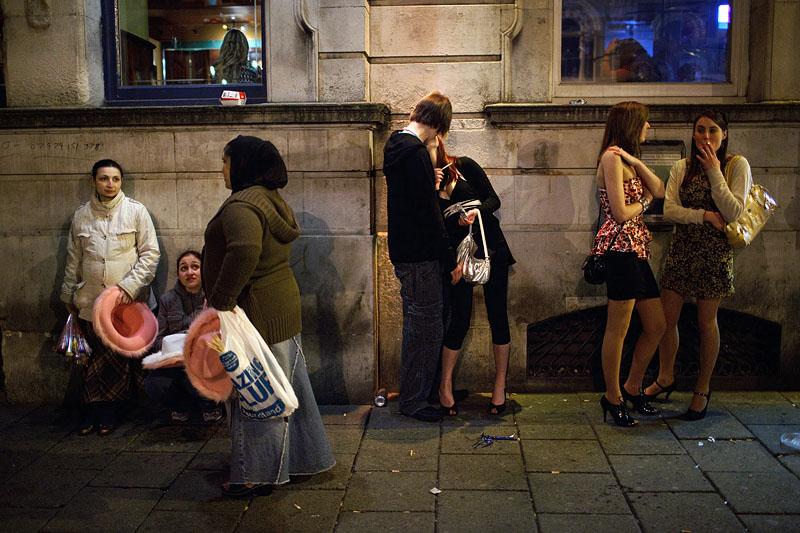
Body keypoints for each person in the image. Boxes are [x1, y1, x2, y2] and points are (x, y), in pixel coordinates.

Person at [203, 135, 334, 497]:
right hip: (278, 306)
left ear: (242, 165)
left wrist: (221, 299)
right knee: (289, 388)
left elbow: (244, 251)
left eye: (226, 161)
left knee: (256, 395)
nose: (222, 169)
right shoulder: (269, 198)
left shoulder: (242, 206)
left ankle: (254, 474)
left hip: (255, 312)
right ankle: (305, 460)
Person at [644, 110, 751, 420]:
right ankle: (665, 377)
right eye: (701, 130)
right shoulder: (682, 167)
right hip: (683, 249)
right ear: (693, 133)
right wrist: (702, 216)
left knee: (707, 322)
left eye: (713, 131)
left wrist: (715, 172)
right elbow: (671, 210)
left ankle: (702, 388)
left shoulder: (736, 165)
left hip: (715, 253)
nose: (706, 137)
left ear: (724, 134)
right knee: (666, 319)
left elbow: (734, 212)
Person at [61, 159, 160, 436]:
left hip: (126, 304)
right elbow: (73, 258)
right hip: (91, 301)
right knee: (94, 361)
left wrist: (129, 287)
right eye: (104, 178)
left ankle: (111, 411)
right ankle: (92, 409)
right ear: (94, 180)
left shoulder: (135, 212)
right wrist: (67, 291)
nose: (110, 184)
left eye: (115, 179)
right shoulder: (81, 215)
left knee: (116, 360)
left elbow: (150, 255)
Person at [383, 92, 461, 423]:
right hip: (421, 254)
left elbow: (414, 198)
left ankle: (417, 394)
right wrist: (448, 256)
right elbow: (428, 213)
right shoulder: (414, 152)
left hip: (405, 250)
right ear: (438, 124)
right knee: (425, 327)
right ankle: (415, 400)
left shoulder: (395, 144)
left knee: (419, 324)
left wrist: (430, 182)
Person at [591, 102, 666, 427]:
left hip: (637, 251)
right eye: (645, 123)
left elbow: (660, 188)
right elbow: (620, 213)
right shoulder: (610, 158)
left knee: (657, 325)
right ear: (632, 124)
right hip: (620, 251)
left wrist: (636, 160)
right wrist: (646, 201)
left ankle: (633, 385)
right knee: (617, 330)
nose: (649, 128)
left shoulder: (628, 161)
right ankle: (612, 396)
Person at [429, 136, 515, 416]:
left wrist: (476, 210)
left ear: (440, 143)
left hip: (491, 248)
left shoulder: (463, 165)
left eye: (430, 146)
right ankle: (444, 387)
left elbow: (494, 199)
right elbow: (431, 224)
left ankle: (499, 386)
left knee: (498, 316)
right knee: (460, 318)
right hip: (459, 258)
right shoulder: (427, 183)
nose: (428, 152)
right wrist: (432, 187)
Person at [143, 250, 223, 424]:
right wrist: (172, 350)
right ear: (178, 274)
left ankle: (210, 407)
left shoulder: (214, 299)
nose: (190, 272)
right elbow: (158, 339)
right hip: (175, 362)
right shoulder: (167, 300)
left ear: (204, 270)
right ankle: (181, 407)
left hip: (205, 363)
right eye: (184, 268)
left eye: (195, 267)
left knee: (194, 377)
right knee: (154, 384)